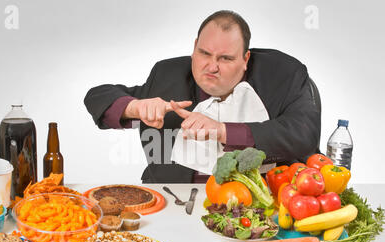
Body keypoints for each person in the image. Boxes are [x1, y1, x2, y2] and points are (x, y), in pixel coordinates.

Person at [84, 10, 321, 183]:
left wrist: (223, 130)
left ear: (245, 59)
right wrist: (133, 108)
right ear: (195, 46)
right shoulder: (168, 74)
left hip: (259, 203)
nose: (211, 66)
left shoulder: (282, 74)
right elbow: (98, 96)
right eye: (204, 53)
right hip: (174, 198)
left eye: (225, 58)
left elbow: (303, 133)